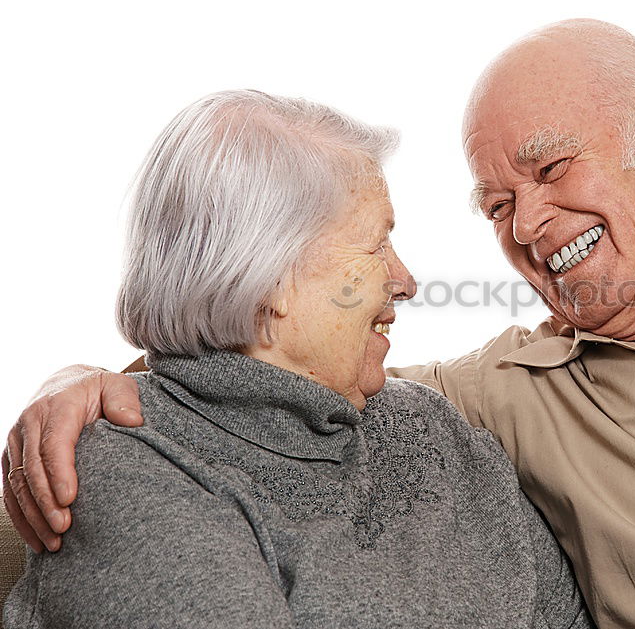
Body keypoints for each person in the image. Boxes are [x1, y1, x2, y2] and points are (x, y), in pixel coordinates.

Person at [7, 19, 635, 628]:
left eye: (549, 168)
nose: (524, 225)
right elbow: (267, 370)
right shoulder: (495, 396)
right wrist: (81, 383)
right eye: (493, 205)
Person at [1, 90, 593, 628]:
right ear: (270, 281)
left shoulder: (430, 427)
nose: (407, 281)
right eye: (375, 243)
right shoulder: (129, 468)